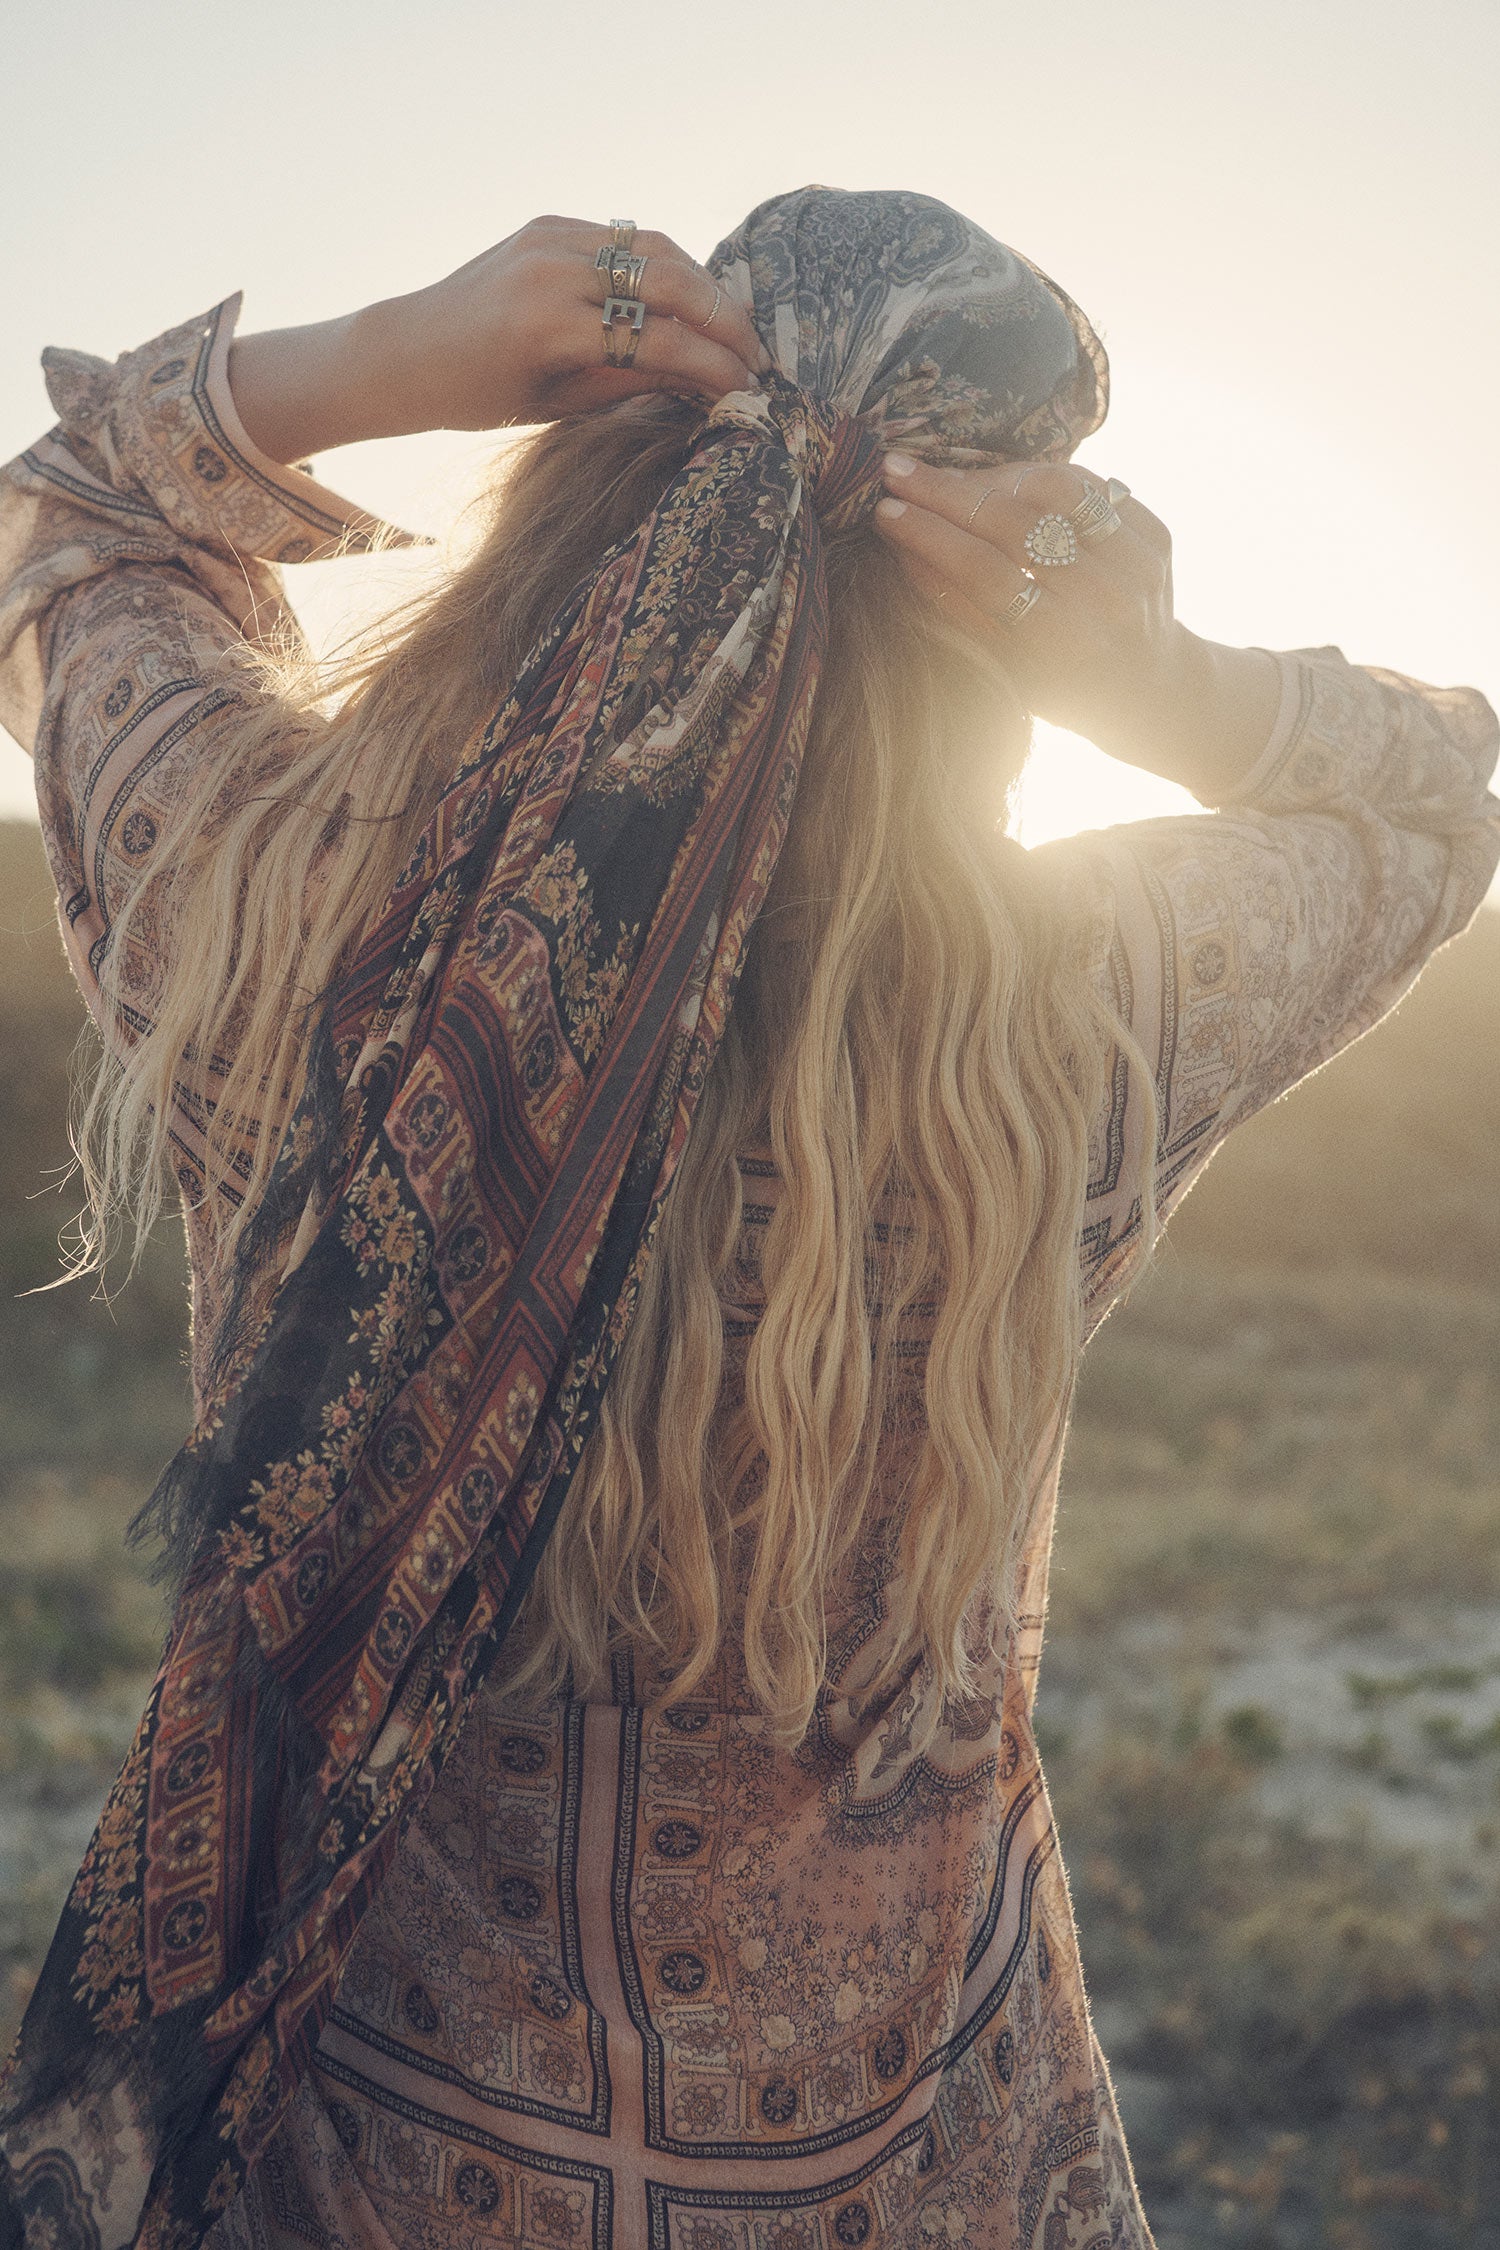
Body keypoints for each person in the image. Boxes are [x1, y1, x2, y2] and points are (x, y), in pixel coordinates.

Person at [0, 188, 1494, 2250]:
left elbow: (68, 520)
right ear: (991, 622)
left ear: (564, 503)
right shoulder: (1082, 1015)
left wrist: (380, 357)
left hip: (363, 2173)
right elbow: (1448, 801)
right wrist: (1168, 679)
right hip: (914, 2179)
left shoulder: (265, 900)